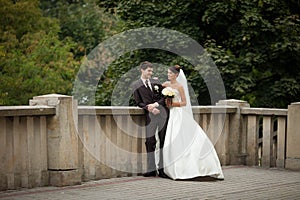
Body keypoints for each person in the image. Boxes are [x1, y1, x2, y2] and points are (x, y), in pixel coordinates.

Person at [162, 65, 224, 180]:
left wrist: (172, 104)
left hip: (179, 113)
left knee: (181, 137)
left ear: (176, 75)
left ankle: (194, 168)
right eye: (168, 73)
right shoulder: (165, 85)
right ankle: (174, 167)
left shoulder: (180, 87)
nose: (168, 75)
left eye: (170, 73)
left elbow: (184, 102)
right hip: (172, 114)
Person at [132, 61, 169, 178]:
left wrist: (156, 105)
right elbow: (138, 102)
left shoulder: (156, 82)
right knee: (150, 142)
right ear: (142, 70)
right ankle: (151, 169)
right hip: (149, 116)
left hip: (162, 114)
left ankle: (162, 170)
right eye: (149, 71)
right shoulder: (135, 85)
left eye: (151, 71)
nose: (151, 73)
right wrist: (149, 108)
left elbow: (164, 97)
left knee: (163, 141)